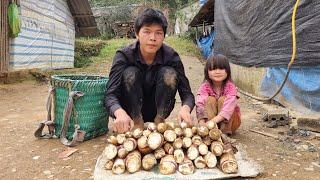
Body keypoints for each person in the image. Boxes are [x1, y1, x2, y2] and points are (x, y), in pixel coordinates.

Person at [105, 8, 195, 133]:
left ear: (164, 35)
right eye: (147, 32)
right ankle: (137, 121)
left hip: (159, 108)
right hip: (130, 108)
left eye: (158, 33)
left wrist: (185, 109)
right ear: (137, 34)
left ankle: (159, 121)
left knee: (169, 73)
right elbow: (110, 94)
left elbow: (187, 93)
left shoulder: (171, 56)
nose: (153, 38)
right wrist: (119, 113)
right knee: (130, 73)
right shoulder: (124, 55)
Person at [196, 54, 241, 135]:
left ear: (227, 71)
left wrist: (211, 122)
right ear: (207, 72)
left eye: (221, 68)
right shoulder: (204, 87)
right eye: (213, 69)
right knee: (209, 100)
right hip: (210, 124)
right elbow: (200, 104)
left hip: (231, 123)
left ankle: (225, 133)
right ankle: (211, 132)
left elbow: (228, 109)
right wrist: (202, 123)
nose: (217, 72)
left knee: (222, 100)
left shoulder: (231, 87)